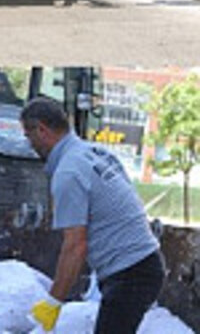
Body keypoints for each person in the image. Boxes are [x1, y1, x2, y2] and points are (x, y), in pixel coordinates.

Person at [21, 98, 163, 334]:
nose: (29, 144)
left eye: (28, 136)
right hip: (143, 265)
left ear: (42, 130)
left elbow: (76, 246)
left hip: (131, 273)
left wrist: (53, 302)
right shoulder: (96, 152)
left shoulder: (68, 171)